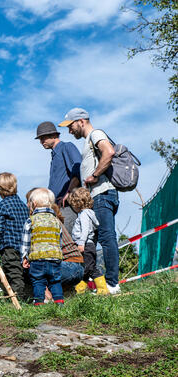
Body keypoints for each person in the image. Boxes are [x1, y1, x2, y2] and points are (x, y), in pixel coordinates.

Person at [59, 108, 120, 294]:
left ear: (81, 121)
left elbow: (108, 152)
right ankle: (99, 283)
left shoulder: (96, 134)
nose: (70, 131)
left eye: (71, 126)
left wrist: (94, 175)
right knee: (100, 239)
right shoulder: (88, 140)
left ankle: (111, 284)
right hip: (98, 196)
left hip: (102, 194)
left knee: (107, 237)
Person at [35, 121, 82, 234]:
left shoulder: (66, 147)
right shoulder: (55, 154)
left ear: (53, 135)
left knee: (66, 241)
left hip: (67, 206)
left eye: (43, 138)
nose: (41, 142)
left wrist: (69, 192)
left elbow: (78, 170)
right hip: (57, 207)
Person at [21, 188, 64, 306]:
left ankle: (39, 303)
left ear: (33, 204)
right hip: (55, 257)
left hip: (37, 259)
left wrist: (24, 257)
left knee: (38, 281)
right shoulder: (56, 221)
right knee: (55, 281)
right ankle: (60, 303)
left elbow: (26, 241)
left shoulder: (31, 221)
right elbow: (59, 240)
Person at [0, 172, 30, 302]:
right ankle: (25, 297)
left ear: (0, 190)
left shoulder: (3, 205)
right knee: (22, 274)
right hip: (24, 247)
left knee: (14, 274)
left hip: (9, 246)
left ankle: (19, 302)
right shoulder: (23, 205)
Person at [69, 187, 109, 295]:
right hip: (89, 245)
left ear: (77, 203)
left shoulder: (84, 214)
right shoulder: (91, 213)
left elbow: (85, 229)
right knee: (86, 268)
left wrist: (81, 243)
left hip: (85, 245)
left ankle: (103, 289)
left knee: (90, 268)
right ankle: (80, 290)